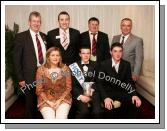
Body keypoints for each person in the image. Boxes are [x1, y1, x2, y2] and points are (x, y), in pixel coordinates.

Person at [13, 11, 47, 119]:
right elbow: (16, 59)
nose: (36, 24)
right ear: (29, 22)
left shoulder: (44, 36)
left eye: (38, 21)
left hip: (44, 74)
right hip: (29, 76)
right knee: (30, 103)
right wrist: (20, 78)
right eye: (34, 21)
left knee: (42, 100)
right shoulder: (21, 37)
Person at [96, 43, 142, 119]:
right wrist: (105, 97)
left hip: (121, 92)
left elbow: (129, 82)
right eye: (115, 51)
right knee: (109, 108)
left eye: (120, 51)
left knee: (135, 103)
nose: (118, 54)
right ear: (111, 52)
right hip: (108, 93)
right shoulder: (103, 64)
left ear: (122, 52)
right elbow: (99, 83)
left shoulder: (126, 64)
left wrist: (134, 94)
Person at [36, 47, 72, 119]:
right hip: (45, 100)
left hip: (63, 99)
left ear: (60, 57)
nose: (55, 57)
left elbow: (68, 88)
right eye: (52, 55)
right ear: (48, 57)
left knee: (61, 118)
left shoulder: (65, 69)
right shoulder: (40, 70)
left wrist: (59, 100)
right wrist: (49, 102)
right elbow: (39, 90)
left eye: (57, 55)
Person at [69, 46, 102, 119]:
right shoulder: (73, 66)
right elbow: (72, 85)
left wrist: (91, 90)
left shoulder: (96, 65)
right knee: (84, 112)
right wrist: (80, 96)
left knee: (97, 112)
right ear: (80, 54)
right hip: (79, 93)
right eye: (83, 53)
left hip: (93, 92)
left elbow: (99, 81)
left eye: (88, 53)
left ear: (90, 54)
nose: (86, 55)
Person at [111, 18, 144, 82]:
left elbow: (139, 58)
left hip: (128, 72)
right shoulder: (115, 38)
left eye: (128, 26)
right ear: (120, 26)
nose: (126, 28)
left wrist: (135, 74)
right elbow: (112, 54)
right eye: (123, 25)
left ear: (131, 27)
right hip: (114, 71)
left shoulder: (137, 40)